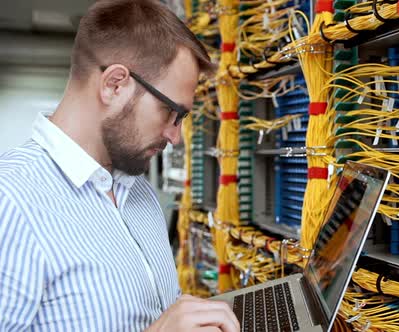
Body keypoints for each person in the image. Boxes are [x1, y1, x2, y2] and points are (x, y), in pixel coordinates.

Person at [0, 0, 239, 331]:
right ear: (114, 84)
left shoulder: (136, 188)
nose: (176, 137)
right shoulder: (11, 203)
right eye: (172, 112)